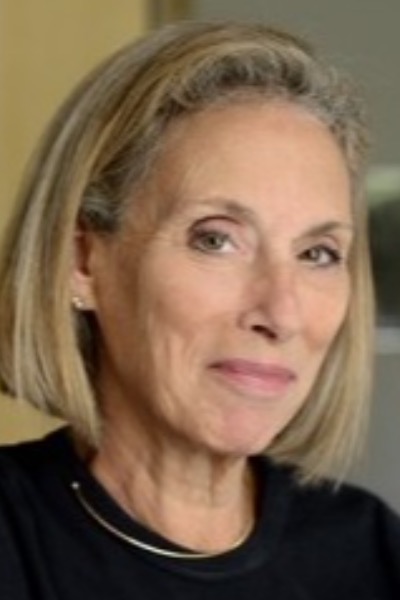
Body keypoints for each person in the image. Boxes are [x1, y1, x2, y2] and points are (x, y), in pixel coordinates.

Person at [0, 20, 399, 599]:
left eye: (317, 253)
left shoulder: (372, 553)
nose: (280, 313)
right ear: (82, 262)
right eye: (216, 239)